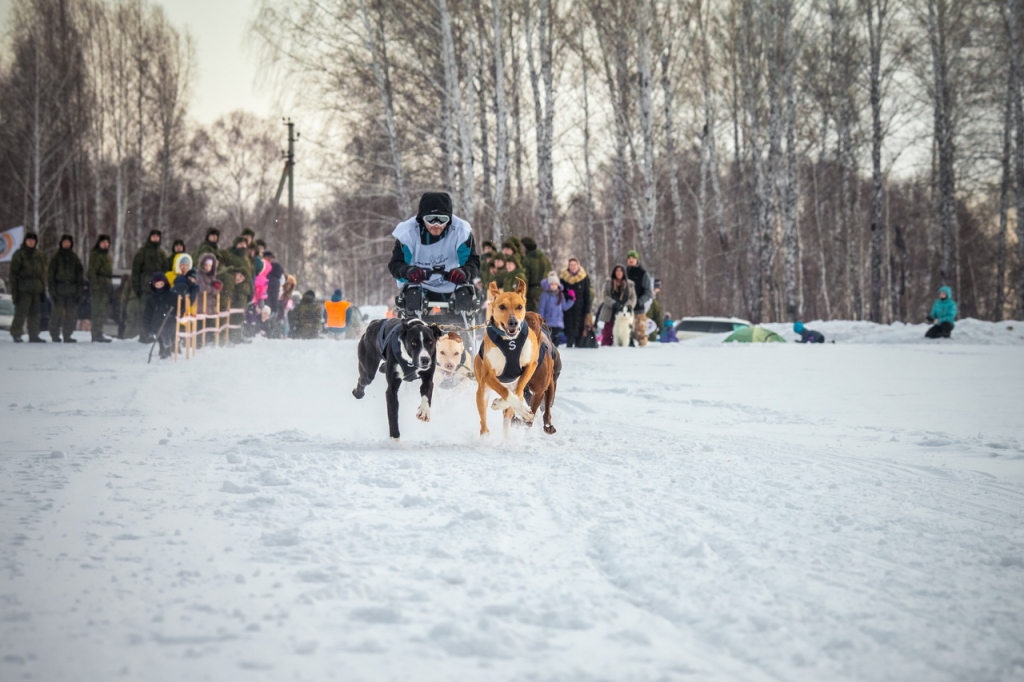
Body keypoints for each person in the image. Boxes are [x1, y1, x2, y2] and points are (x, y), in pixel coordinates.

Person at [388, 191, 481, 317]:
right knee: (412, 299)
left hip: (452, 284)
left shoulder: (461, 232)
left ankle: (461, 330)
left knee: (464, 297)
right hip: (420, 284)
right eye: (430, 220)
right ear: (422, 219)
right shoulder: (408, 233)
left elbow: (472, 262)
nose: (436, 226)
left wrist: (465, 272)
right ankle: (412, 330)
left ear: (449, 219)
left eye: (442, 220)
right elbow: (396, 264)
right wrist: (408, 271)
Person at [130, 229, 170, 341]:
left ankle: (155, 334)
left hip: (158, 289)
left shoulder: (161, 253)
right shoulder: (142, 252)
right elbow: (136, 271)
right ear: (150, 238)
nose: (156, 239)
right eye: (154, 237)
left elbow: (165, 270)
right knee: (144, 312)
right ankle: (144, 335)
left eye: (158, 237)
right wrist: (136, 288)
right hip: (145, 288)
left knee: (156, 313)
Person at [9, 231, 48, 342]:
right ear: (25, 241)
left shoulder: (39, 255)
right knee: (21, 313)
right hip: (23, 289)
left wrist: (43, 289)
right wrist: (14, 291)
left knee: (35, 314)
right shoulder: (19, 254)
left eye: (33, 241)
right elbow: (13, 274)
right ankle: (16, 333)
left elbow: (42, 273)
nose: (31, 242)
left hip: (36, 288)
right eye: (29, 240)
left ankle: (34, 335)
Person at [47, 234, 84, 343]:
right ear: (61, 243)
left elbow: (79, 276)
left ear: (71, 244)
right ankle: (54, 335)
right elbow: (51, 276)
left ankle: (67, 335)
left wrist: (79, 291)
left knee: (70, 315)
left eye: (68, 242)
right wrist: (52, 291)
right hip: (59, 290)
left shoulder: (75, 258)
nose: (66, 244)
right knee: (56, 314)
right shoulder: (56, 258)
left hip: (72, 291)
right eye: (64, 242)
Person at [599, 264, 636, 347]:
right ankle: (606, 350)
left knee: (625, 334)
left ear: (624, 273)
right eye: (617, 271)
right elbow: (605, 296)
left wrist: (626, 306)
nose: (619, 273)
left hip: (625, 314)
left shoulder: (630, 284)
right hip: (610, 311)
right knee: (608, 334)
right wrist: (614, 304)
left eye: (621, 271)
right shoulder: (608, 283)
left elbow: (633, 298)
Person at [143, 273, 178, 359]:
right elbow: (147, 314)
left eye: (161, 284)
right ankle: (163, 348)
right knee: (160, 335)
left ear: (165, 283)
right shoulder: (151, 299)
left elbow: (179, 307)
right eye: (157, 285)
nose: (159, 286)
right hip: (156, 323)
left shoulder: (172, 296)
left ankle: (168, 348)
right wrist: (147, 328)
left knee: (167, 332)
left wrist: (174, 313)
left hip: (170, 321)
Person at [560, 258, 592, 348]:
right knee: (569, 327)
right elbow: (560, 293)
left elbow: (587, 295)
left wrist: (587, 310)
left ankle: (579, 344)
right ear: (568, 266)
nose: (573, 267)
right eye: (571, 265)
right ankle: (569, 343)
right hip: (568, 308)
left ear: (578, 266)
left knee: (580, 327)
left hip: (580, 308)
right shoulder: (564, 279)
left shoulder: (584, 278)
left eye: (574, 265)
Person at [625, 250, 655, 347]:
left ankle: (643, 356)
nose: (631, 260)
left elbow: (648, 292)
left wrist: (639, 302)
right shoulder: (624, 273)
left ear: (637, 260)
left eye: (633, 258)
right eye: (629, 258)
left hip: (639, 310)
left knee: (641, 335)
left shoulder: (643, 274)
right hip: (626, 310)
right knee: (626, 335)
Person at [87, 234, 114, 342]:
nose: (105, 244)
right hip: (99, 288)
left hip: (105, 287)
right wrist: (95, 287)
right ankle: (96, 334)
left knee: (103, 312)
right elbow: (92, 273)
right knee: (97, 311)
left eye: (107, 242)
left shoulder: (106, 256)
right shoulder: (96, 255)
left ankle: (99, 333)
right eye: (103, 242)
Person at [537, 271, 575, 346]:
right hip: (548, 322)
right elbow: (541, 308)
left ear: (558, 285)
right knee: (548, 340)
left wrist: (572, 300)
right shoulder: (545, 295)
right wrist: (541, 320)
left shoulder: (561, 295)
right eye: (552, 284)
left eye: (555, 284)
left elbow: (564, 307)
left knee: (556, 340)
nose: (554, 286)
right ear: (549, 285)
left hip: (558, 322)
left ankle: (555, 355)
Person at [521, 237, 552, 313]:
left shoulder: (527, 260)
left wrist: (522, 295)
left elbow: (525, 279)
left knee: (532, 316)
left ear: (526, 248)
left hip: (532, 292)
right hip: (546, 290)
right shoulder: (545, 259)